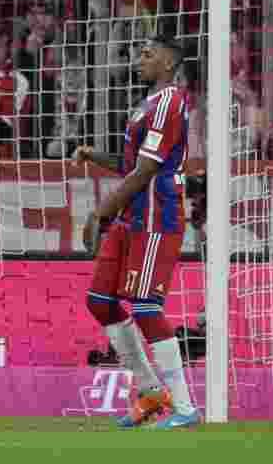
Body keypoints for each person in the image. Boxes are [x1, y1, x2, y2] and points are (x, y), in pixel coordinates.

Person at [78, 35, 200, 429]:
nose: (138, 58)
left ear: (169, 63)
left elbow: (148, 172)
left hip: (155, 219)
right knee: (100, 301)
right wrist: (96, 155)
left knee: (146, 306)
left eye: (148, 54)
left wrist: (100, 212)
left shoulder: (170, 101)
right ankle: (149, 391)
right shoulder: (145, 104)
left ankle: (183, 408)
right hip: (131, 218)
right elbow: (135, 165)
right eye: (139, 52)